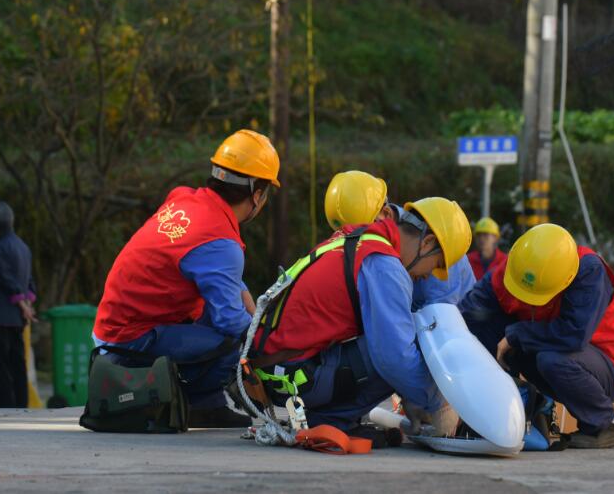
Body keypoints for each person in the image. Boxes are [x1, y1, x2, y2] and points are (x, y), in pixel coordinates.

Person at [248, 196, 472, 440]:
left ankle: (332, 416)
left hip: (274, 372)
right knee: (405, 346)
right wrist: (439, 402)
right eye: (435, 265)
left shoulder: (360, 239)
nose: (428, 276)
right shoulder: (385, 266)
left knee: (391, 340)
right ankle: (333, 421)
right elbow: (394, 359)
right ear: (427, 242)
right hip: (293, 378)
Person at [93, 130, 279, 420]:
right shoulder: (220, 242)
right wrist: (267, 343)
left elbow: (225, 278)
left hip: (112, 329)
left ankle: (208, 402)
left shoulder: (184, 200)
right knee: (236, 339)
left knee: (224, 313)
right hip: (128, 344)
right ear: (256, 194)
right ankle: (199, 404)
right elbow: (231, 321)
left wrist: (255, 313)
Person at [459, 224, 614, 449]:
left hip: (607, 363)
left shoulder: (589, 270)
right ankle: (523, 404)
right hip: (552, 350)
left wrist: (517, 334)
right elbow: (470, 312)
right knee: (488, 326)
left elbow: (573, 335)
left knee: (551, 359)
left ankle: (605, 424)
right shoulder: (516, 268)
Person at [323, 170, 474, 308]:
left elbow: (440, 320)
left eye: (364, 234)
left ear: (387, 214)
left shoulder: (439, 245)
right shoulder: (402, 244)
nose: (360, 244)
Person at [0, 201, 36, 408]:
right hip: (18, 319)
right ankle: (22, 406)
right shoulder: (23, 247)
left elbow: (6, 280)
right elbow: (29, 280)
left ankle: (7, 405)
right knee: (17, 363)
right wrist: (28, 303)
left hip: (1, 316)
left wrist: (21, 303)